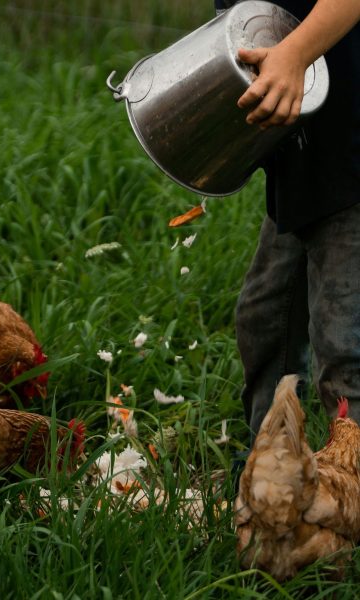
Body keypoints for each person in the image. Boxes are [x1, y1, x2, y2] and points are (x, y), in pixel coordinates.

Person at [214, 0, 360, 439]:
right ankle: (270, 468)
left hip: (352, 159)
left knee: (343, 345)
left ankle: (348, 488)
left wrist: (296, 54)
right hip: (304, 161)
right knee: (264, 319)